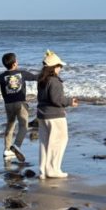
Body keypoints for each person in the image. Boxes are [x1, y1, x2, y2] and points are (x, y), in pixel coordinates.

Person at [0, 52, 38, 163]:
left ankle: (7, 149)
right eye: (17, 61)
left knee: (10, 125)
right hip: (21, 104)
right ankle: (16, 146)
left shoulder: (1, 77)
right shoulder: (22, 74)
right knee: (23, 125)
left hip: (8, 105)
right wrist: (48, 73)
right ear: (15, 63)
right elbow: (36, 78)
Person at [35, 50, 78, 178]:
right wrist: (70, 102)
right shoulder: (54, 81)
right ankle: (53, 169)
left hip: (42, 114)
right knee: (59, 141)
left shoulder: (41, 80)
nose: (61, 68)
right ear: (54, 67)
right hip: (55, 115)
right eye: (60, 66)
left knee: (44, 142)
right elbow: (56, 99)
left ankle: (43, 170)